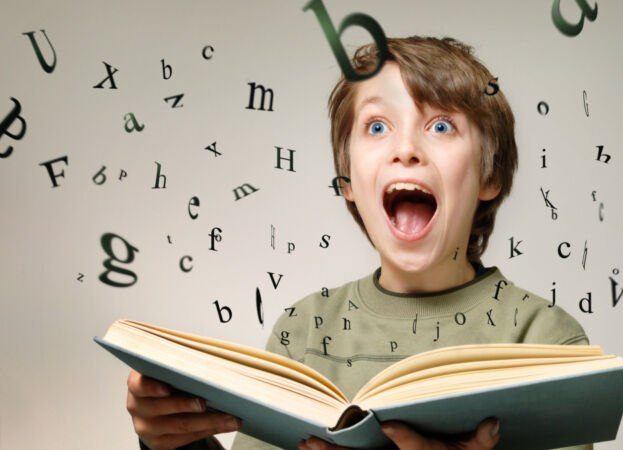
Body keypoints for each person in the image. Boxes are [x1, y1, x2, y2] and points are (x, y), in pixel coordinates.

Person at [126, 36, 590, 450]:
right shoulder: (303, 329)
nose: (406, 149)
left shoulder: (545, 340)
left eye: (442, 126)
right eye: (377, 126)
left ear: (490, 174)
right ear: (347, 180)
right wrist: (172, 444)